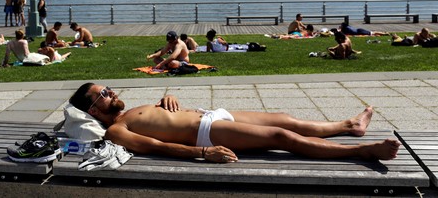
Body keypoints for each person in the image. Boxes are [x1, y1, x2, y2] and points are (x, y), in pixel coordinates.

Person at [69, 83, 400, 163]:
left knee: (287, 119)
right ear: (95, 111)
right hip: (205, 133)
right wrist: (203, 153)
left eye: (108, 89)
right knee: (281, 136)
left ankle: (347, 126)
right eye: (104, 94)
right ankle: (363, 150)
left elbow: (160, 118)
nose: (111, 92)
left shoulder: (129, 113)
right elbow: (156, 145)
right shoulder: (115, 129)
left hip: (211, 114)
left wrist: (167, 102)